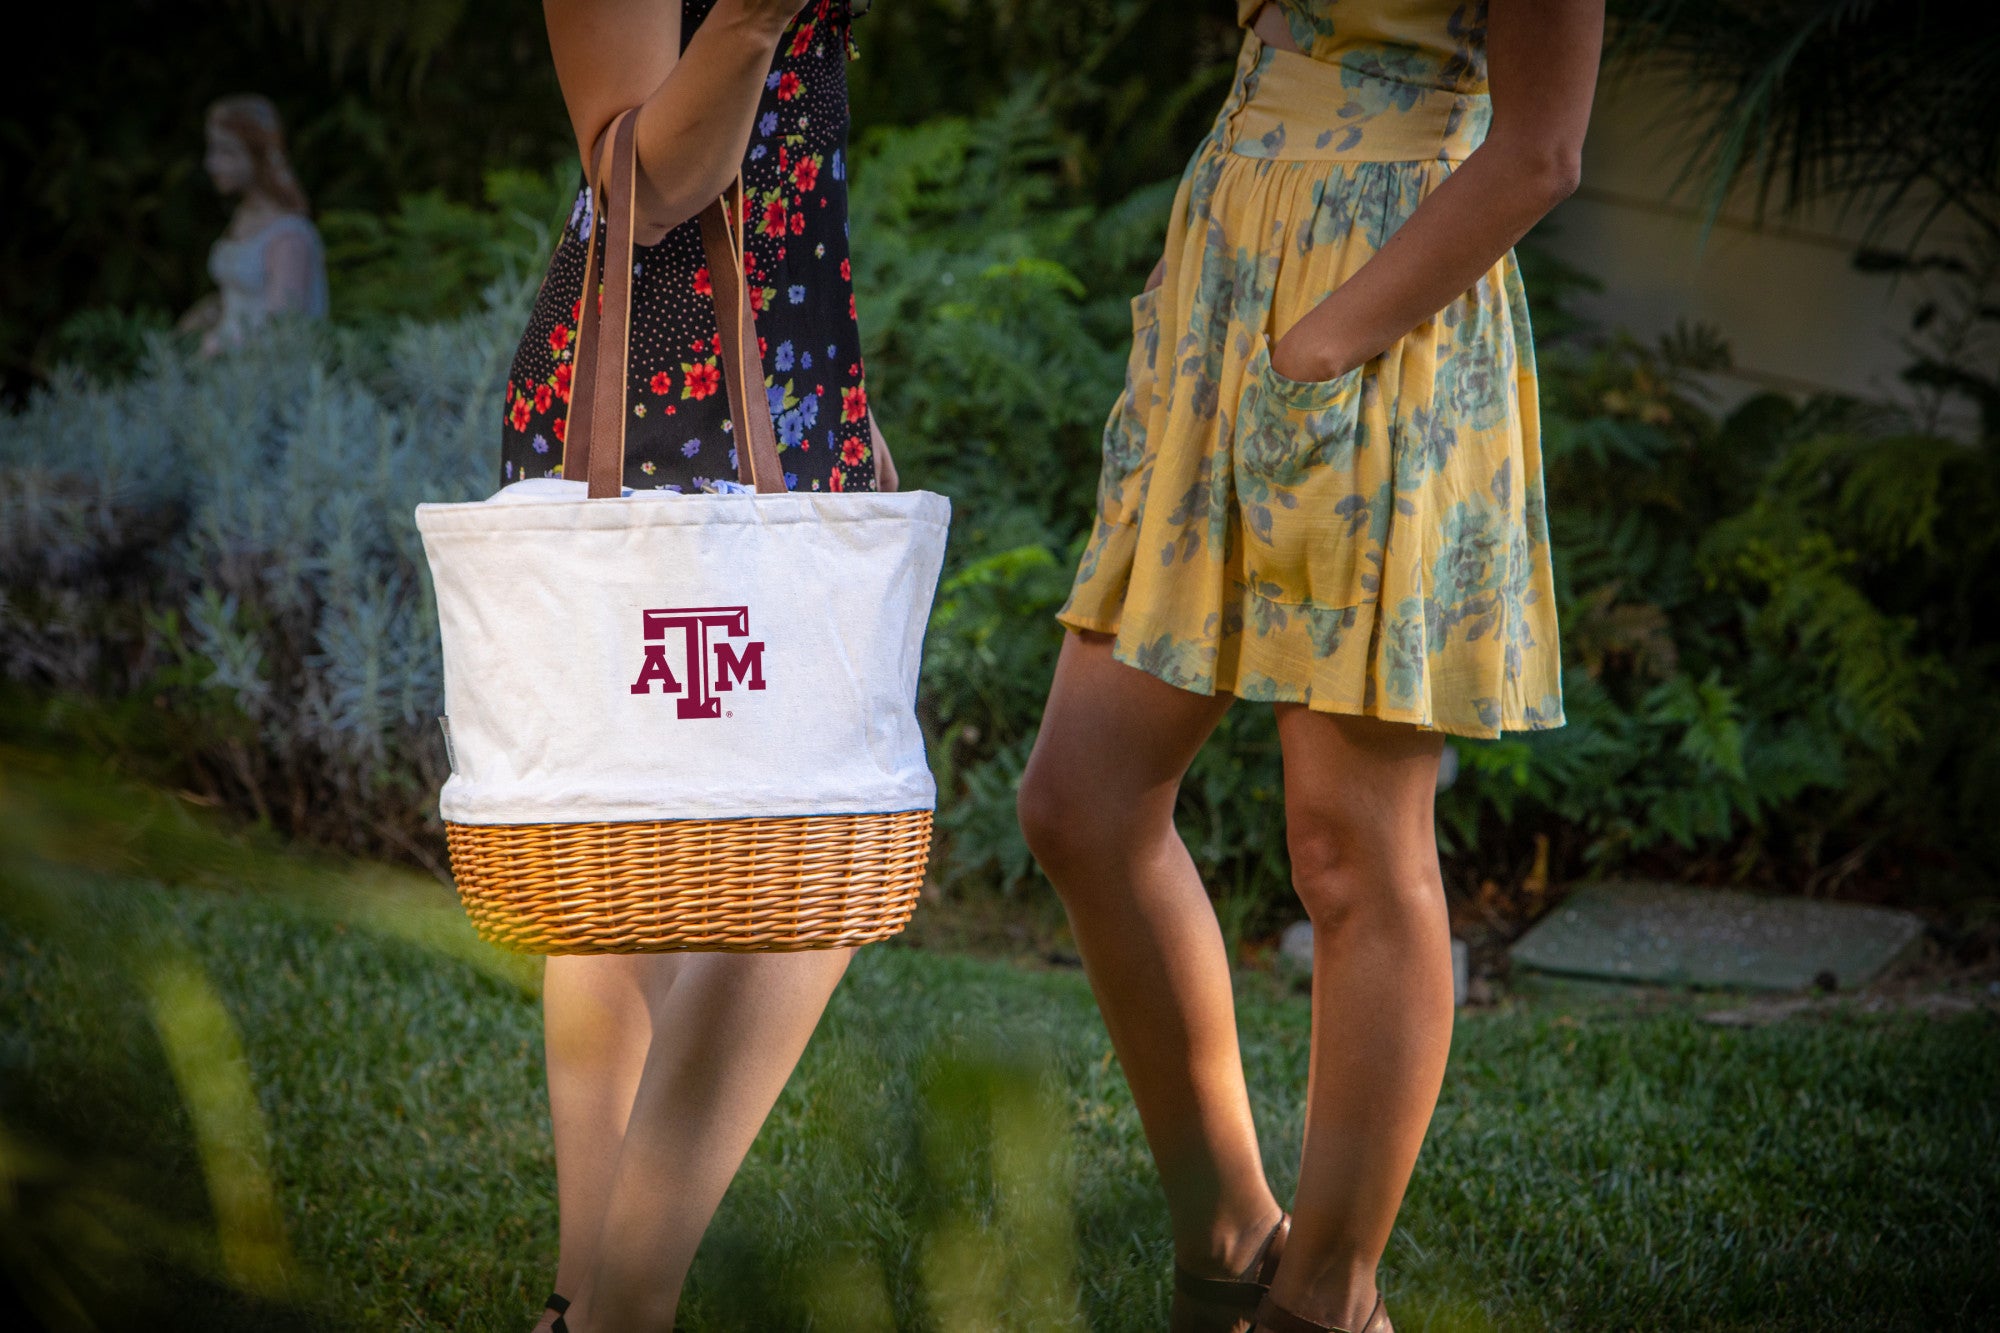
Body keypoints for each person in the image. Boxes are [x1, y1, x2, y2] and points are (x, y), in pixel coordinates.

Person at [1015, 2, 1601, 1331]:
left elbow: (1542, 150)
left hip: (1381, 313)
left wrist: (1321, 342)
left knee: (1349, 844)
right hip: (1227, 275)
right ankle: (1227, 1244)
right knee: (1081, 803)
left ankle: (1328, 1296)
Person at [502, 3, 892, 1330]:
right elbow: (650, 184)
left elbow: (801, 150)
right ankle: (625, 1306)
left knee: (686, 868)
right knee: (779, 853)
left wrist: (844, 395)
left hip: (791, 371)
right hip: (647, 392)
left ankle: (586, 1303)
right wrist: (745, 24)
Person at [179, 95, 329, 357]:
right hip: (225, 365)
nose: (211, 163)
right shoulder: (244, 215)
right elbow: (238, 300)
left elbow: (281, 329)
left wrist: (212, 348)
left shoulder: (289, 235)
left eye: (226, 151)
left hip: (261, 376)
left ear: (256, 153)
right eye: (212, 149)